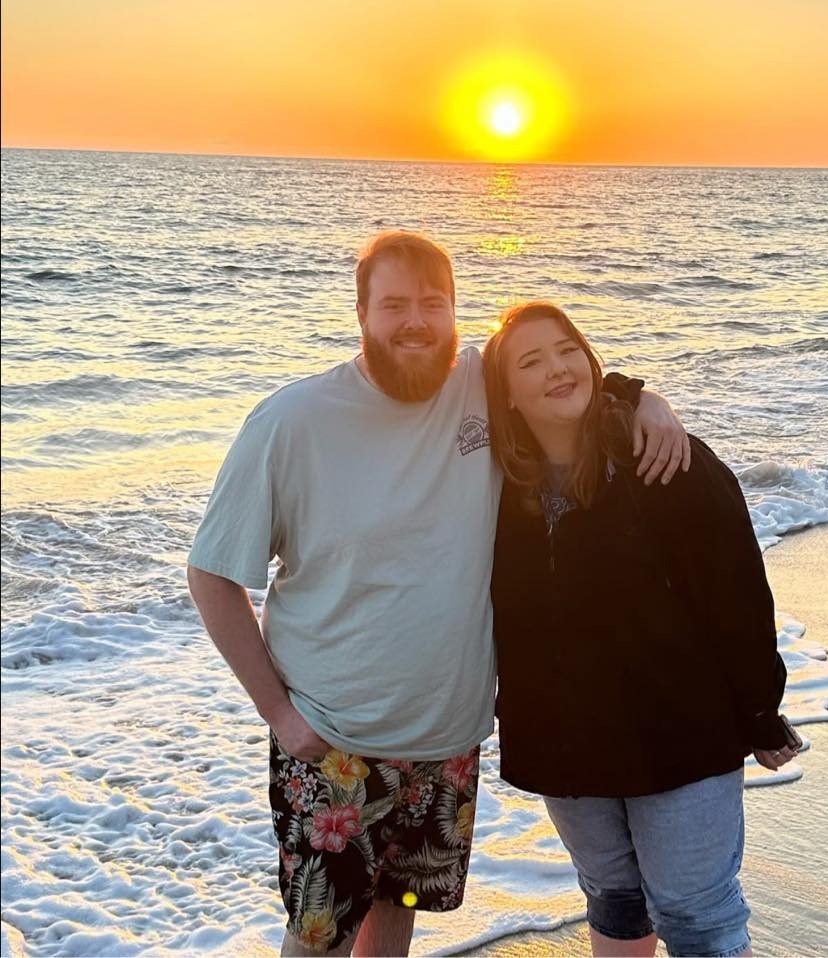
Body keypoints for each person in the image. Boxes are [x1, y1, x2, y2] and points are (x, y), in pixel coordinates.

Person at [186, 232, 689, 958]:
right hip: (334, 740)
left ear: (456, 311)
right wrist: (279, 715)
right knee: (319, 938)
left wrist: (642, 398)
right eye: (394, 305)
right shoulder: (290, 422)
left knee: (399, 914)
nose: (415, 322)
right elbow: (212, 574)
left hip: (447, 739)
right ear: (361, 313)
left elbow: (560, 375)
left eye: (433, 303)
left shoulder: (479, 385)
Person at [483, 300, 800, 958]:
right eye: (531, 362)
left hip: (677, 733)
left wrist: (760, 712)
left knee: (698, 915)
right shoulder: (493, 484)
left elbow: (738, 592)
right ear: (504, 393)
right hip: (565, 741)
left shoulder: (661, 460)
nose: (557, 368)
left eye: (567, 350)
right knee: (613, 896)